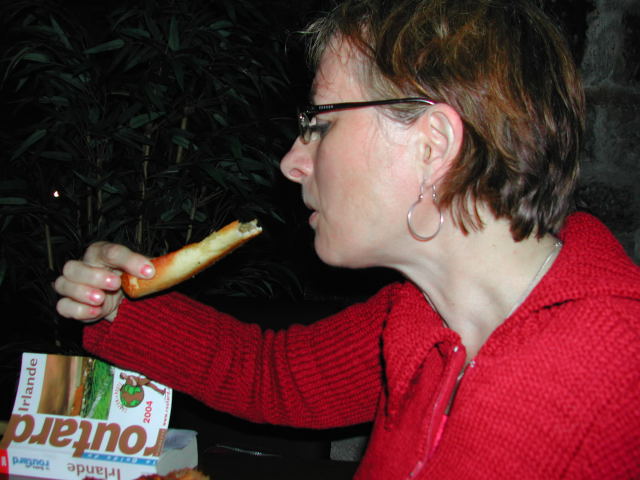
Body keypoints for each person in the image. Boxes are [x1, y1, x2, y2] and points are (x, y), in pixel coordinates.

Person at [54, 0, 640, 477]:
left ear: (432, 145)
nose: (291, 162)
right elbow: (271, 375)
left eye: (319, 124)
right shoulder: (421, 312)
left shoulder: (618, 382)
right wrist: (116, 308)